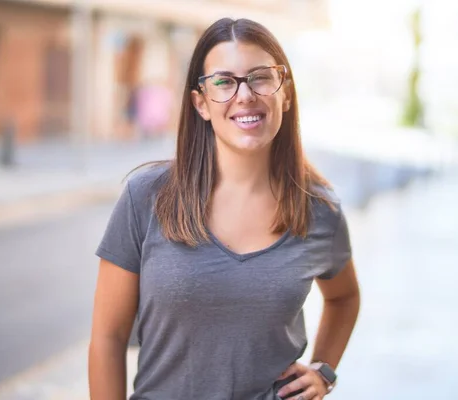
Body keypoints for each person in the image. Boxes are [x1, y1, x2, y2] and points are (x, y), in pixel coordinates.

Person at [88, 17, 360, 400]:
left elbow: (344, 298)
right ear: (200, 103)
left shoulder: (319, 211)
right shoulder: (145, 197)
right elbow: (107, 337)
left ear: (285, 93)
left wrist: (324, 371)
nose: (244, 95)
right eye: (223, 82)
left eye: (261, 77)